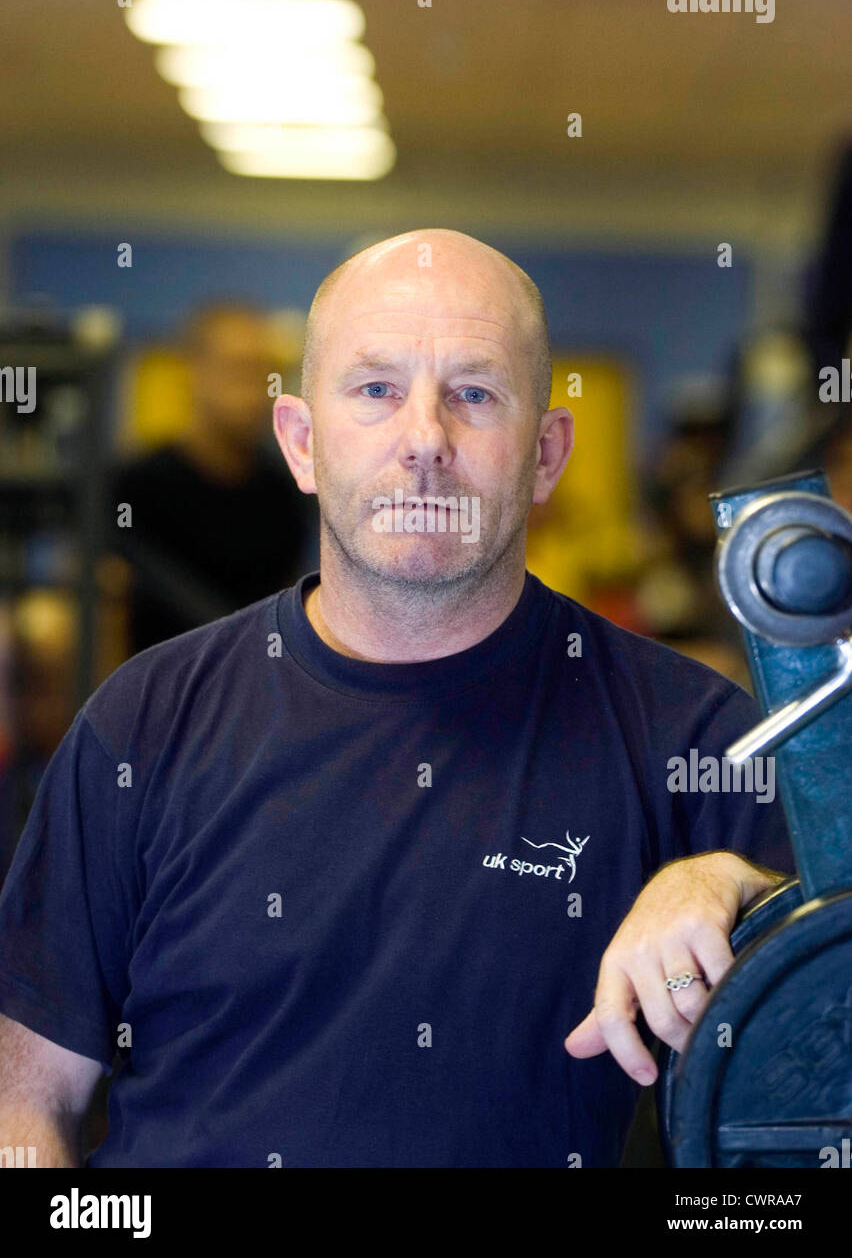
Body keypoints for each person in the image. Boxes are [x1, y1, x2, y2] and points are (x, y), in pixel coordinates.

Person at [0, 230, 794, 1168]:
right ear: (301, 443)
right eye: (376, 390)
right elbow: (28, 1102)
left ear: (546, 455)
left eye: (474, 394)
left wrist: (746, 893)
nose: (426, 440)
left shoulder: (691, 737)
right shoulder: (142, 724)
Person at [112, 301, 316, 654]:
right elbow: (106, 612)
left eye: (265, 373)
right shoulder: (136, 488)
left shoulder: (286, 488)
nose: (253, 392)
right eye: (238, 371)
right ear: (195, 370)